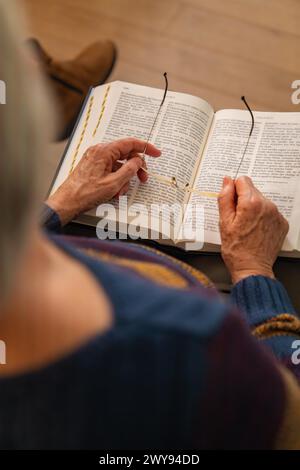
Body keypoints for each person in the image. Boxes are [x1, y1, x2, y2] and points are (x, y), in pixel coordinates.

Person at [0, 0, 300, 450]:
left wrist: (60, 204)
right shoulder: (184, 340)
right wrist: (253, 271)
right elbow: (289, 410)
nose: (33, 55)